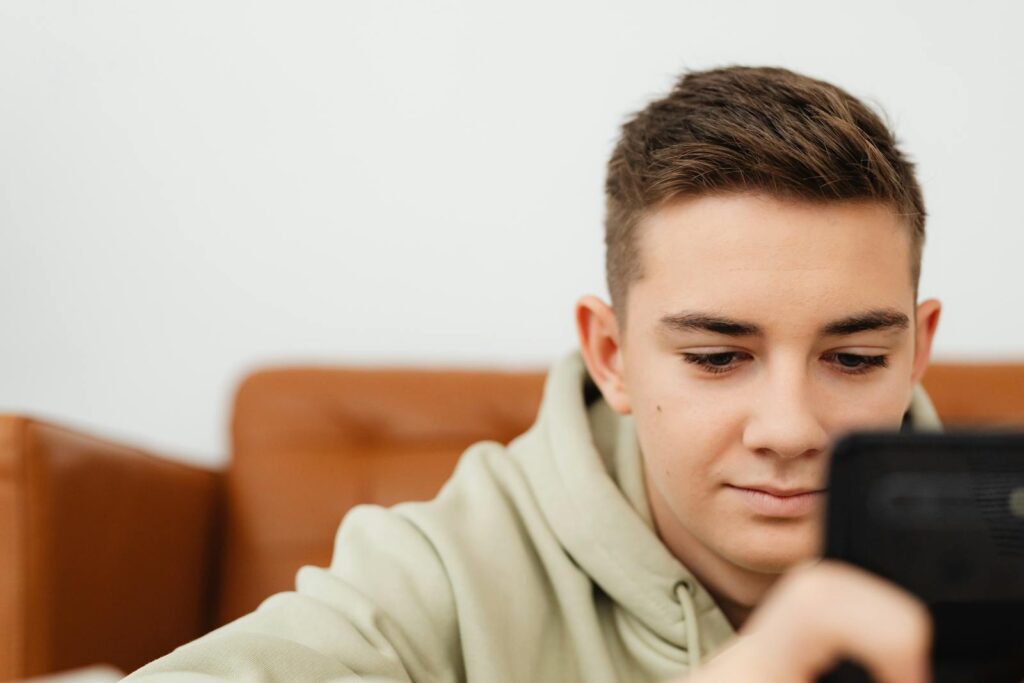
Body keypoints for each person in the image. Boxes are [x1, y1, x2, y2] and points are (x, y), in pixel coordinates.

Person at [125, 65, 942, 682]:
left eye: (855, 359)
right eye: (718, 357)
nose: (791, 427)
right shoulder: (448, 566)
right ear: (612, 356)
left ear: (917, 353)